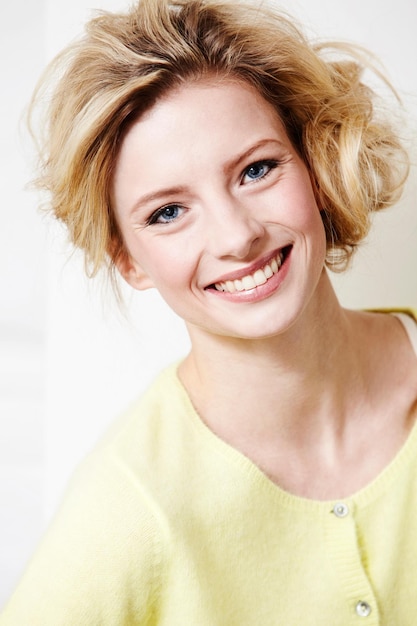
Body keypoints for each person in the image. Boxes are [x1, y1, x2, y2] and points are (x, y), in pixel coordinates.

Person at [1, 0, 416, 623]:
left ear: (315, 166)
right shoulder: (127, 506)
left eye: (256, 169)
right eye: (167, 212)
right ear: (128, 259)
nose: (235, 235)